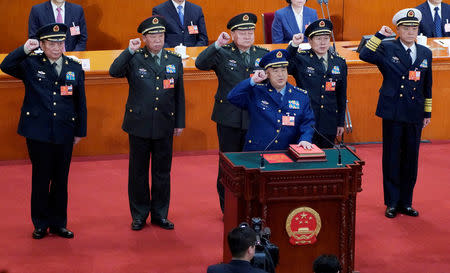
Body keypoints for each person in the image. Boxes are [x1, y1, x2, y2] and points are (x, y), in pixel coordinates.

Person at [0, 23, 87, 239]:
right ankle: (40, 223)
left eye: (60, 42)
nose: (57, 47)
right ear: (42, 44)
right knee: (41, 178)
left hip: (65, 130)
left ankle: (58, 223)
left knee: (61, 179)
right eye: (51, 43)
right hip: (38, 132)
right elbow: (6, 65)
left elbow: (80, 103)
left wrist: (80, 131)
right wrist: (24, 48)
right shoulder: (30, 64)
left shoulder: (74, 67)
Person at [109, 16, 185, 230]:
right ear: (144, 38)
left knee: (162, 172)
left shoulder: (174, 60)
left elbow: (179, 94)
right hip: (139, 123)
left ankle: (160, 214)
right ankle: (140, 214)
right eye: (152, 36)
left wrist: (179, 121)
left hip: (164, 123)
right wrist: (129, 51)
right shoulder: (134, 58)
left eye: (160, 35)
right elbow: (114, 71)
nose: (157, 39)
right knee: (138, 172)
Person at [359, 9, 432, 218]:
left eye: (414, 28)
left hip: (415, 111)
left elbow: (428, 85)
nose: (411, 32)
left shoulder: (425, 52)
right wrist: (379, 35)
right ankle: (391, 202)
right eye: (406, 28)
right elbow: (365, 54)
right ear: (398, 30)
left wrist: (427, 111)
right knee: (392, 157)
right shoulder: (387, 47)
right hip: (393, 110)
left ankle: (406, 202)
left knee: (411, 158)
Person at [195, 13, 269, 213]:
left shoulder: (261, 55)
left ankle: (251, 204)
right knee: (228, 163)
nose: (247, 35)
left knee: (254, 162)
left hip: (255, 118)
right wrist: (217, 44)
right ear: (233, 34)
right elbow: (200, 63)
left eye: (251, 31)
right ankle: (228, 208)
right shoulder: (223, 53)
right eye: (243, 32)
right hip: (229, 116)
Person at [227, 49, 315, 151]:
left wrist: (305, 139)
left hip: (288, 151)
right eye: (275, 71)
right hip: (258, 151)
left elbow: (308, 122)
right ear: (267, 74)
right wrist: (252, 81)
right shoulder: (256, 92)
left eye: (283, 70)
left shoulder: (300, 96)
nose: (280, 75)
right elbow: (232, 97)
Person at [286, 19, 347, 148]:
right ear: (310, 41)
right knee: (306, 159)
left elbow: (341, 95)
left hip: (329, 120)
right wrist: (293, 45)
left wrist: (340, 122)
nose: (323, 42)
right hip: (306, 119)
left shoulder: (339, 62)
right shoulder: (301, 59)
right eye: (318, 38)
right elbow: (286, 64)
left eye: (326, 38)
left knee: (327, 158)